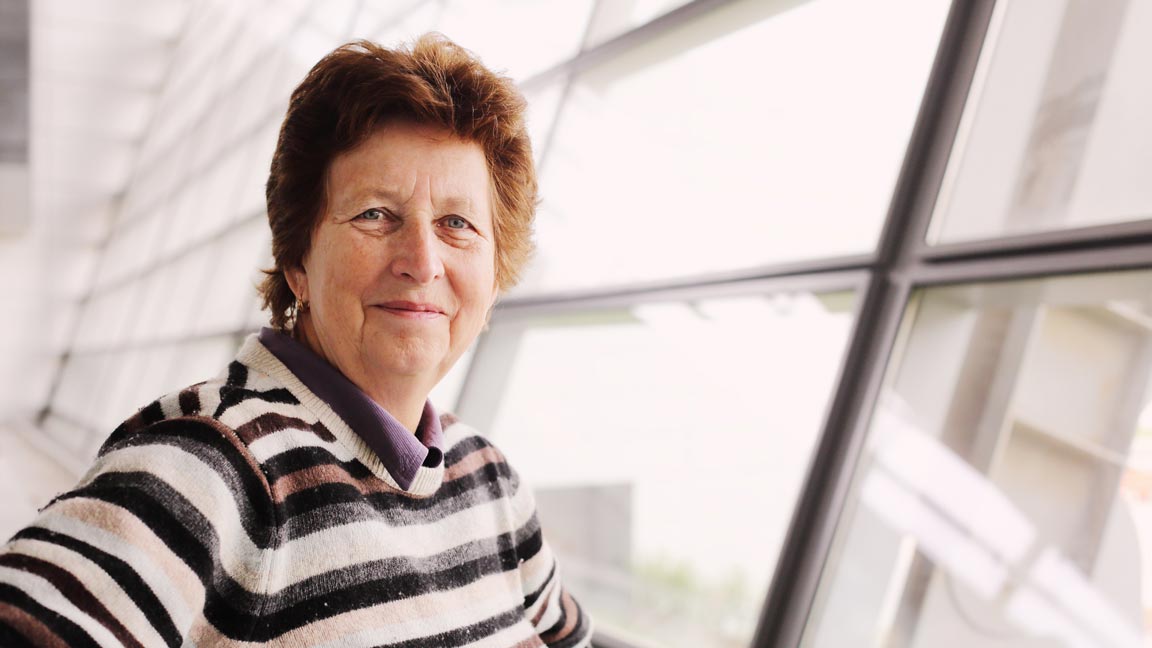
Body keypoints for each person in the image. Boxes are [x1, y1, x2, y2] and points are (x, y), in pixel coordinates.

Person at [0, 35, 592, 647]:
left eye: (457, 224)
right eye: (375, 215)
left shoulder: (488, 479)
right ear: (297, 263)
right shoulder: (214, 466)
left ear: (494, 280)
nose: (421, 260)